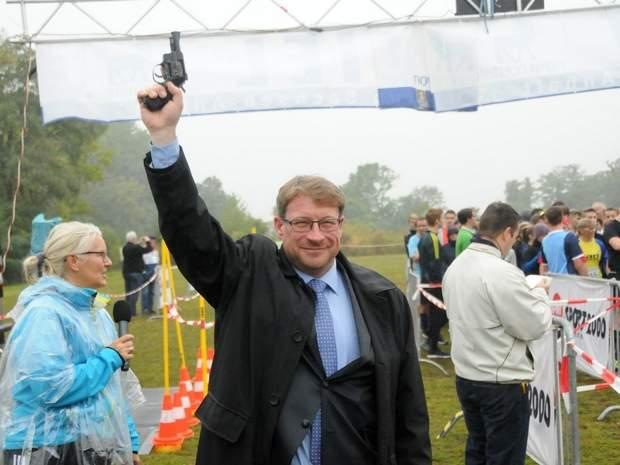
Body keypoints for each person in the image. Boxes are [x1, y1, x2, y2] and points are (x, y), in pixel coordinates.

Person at [137, 82, 431, 465]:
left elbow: (408, 409)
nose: (316, 235)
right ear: (279, 225)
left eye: (327, 223)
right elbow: (192, 233)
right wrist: (164, 137)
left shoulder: (382, 299)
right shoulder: (248, 275)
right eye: (302, 223)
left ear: (341, 225)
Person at [0, 222, 140, 465]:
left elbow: (111, 386)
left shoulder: (96, 312)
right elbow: (50, 386)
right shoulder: (44, 313)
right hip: (43, 447)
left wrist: (130, 440)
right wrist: (109, 358)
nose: (108, 262)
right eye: (101, 254)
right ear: (74, 261)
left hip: (90, 443)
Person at [443, 202, 552, 465]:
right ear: (507, 232)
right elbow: (533, 325)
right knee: (503, 457)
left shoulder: (456, 266)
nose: (512, 244)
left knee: (478, 450)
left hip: (467, 375)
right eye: (514, 238)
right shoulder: (501, 271)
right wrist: (539, 293)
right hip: (500, 382)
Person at [417, 208, 449, 358]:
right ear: (437, 221)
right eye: (442, 218)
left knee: (436, 314)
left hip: (427, 280)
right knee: (440, 314)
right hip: (433, 282)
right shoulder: (433, 239)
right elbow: (435, 263)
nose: (444, 221)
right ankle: (433, 348)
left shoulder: (425, 237)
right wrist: (441, 280)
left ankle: (431, 341)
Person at [540, 206, 588, 276]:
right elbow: (580, 263)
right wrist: (586, 279)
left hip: (554, 281)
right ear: (563, 218)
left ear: (546, 220)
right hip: (569, 280)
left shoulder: (544, 241)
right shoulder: (569, 237)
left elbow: (544, 266)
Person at [122, 231, 152, 316]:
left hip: (126, 273)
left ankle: (127, 310)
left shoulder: (125, 248)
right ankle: (132, 312)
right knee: (134, 293)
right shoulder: (136, 248)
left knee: (128, 293)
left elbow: (135, 247)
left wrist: (139, 242)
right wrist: (147, 241)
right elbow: (148, 249)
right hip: (135, 273)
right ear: (134, 239)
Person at [141, 236, 160, 315]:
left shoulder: (156, 251)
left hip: (154, 272)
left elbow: (157, 262)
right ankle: (145, 308)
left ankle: (150, 308)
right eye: (152, 242)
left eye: (155, 242)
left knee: (151, 292)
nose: (154, 243)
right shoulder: (144, 249)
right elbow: (143, 261)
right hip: (146, 272)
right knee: (145, 292)